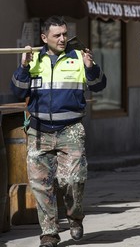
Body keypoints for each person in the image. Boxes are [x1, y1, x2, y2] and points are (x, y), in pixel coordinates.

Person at [10, 16, 107, 247]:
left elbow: (100, 86)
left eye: (65, 34)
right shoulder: (33, 60)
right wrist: (23, 66)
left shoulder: (77, 57)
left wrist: (91, 67)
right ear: (44, 37)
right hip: (38, 131)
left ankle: (75, 217)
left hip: (70, 130)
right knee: (41, 185)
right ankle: (49, 233)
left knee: (73, 181)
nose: (63, 38)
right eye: (57, 35)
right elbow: (16, 91)